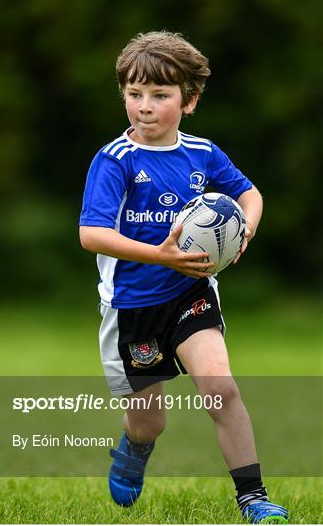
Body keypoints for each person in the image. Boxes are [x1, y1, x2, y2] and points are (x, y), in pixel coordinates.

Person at [79, 31, 288, 524]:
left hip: (190, 291)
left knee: (221, 386)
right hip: (132, 305)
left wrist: (245, 229)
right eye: (134, 94)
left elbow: (250, 194)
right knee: (150, 421)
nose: (144, 107)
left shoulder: (202, 153)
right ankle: (134, 447)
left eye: (159, 95)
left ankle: (253, 497)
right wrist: (161, 254)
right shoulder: (114, 162)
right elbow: (91, 234)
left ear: (189, 101)